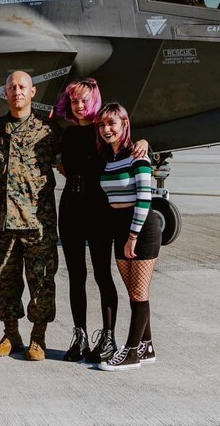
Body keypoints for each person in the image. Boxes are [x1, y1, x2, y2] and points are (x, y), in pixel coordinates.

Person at [52, 78, 149, 363]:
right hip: (70, 209)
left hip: (99, 212)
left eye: (84, 100)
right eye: (74, 101)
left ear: (93, 101)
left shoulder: (103, 134)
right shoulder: (67, 135)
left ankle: (108, 337)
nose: (79, 106)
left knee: (102, 275)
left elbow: (130, 145)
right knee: (76, 277)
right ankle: (79, 335)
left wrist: (144, 141)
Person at [0, 70, 60, 361]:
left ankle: (38, 338)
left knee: (41, 281)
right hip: (2, 221)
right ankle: (10, 333)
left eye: (22, 86)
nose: (17, 91)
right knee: (3, 279)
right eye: (11, 87)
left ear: (32, 92)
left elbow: (69, 164)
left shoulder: (48, 131)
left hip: (38, 222)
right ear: (5, 93)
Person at [95, 102, 161, 371]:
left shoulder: (138, 156)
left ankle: (131, 352)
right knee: (134, 292)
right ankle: (147, 346)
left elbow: (145, 198)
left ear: (124, 125)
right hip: (119, 227)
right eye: (102, 125)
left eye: (112, 123)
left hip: (141, 228)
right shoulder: (109, 158)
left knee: (139, 292)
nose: (106, 129)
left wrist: (133, 235)